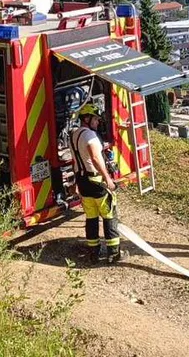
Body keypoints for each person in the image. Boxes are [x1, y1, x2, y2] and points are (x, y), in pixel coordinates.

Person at [70, 103, 124, 263]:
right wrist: (108, 179)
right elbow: (94, 157)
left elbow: (76, 161)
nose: (98, 122)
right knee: (109, 216)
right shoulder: (90, 136)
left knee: (91, 218)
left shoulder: (75, 135)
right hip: (96, 182)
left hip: (83, 182)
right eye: (95, 119)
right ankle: (114, 253)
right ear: (86, 118)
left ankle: (94, 252)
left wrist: (75, 183)